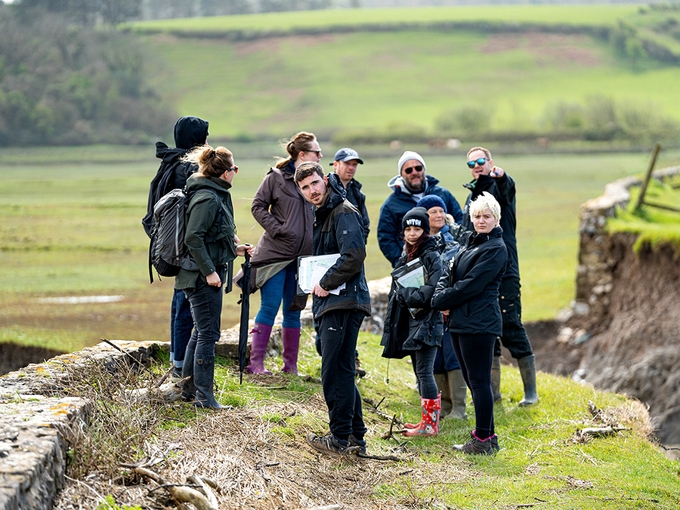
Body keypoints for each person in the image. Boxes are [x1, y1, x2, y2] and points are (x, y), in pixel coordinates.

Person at [294, 161, 371, 456]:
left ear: (325, 180)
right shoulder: (325, 212)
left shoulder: (342, 211)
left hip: (344, 300)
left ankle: (338, 439)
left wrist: (325, 282)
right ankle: (355, 437)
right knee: (341, 369)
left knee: (334, 372)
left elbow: (354, 255)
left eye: (314, 183)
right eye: (305, 188)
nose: (312, 191)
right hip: (335, 302)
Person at [175, 145, 252, 409]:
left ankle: (187, 389)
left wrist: (236, 250)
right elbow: (193, 238)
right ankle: (204, 396)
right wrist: (209, 271)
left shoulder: (212, 193)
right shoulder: (208, 197)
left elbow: (210, 237)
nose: (236, 172)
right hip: (200, 277)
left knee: (201, 332)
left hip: (202, 274)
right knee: (208, 334)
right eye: (234, 168)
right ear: (227, 172)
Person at [461, 147, 538, 406]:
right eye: (472, 163)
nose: (477, 166)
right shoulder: (471, 195)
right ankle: (493, 395)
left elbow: (508, 188)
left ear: (490, 162)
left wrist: (502, 176)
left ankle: (531, 393)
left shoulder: (499, 187)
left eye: (481, 161)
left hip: (505, 272)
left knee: (512, 327)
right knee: (486, 332)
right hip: (479, 276)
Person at [432, 192, 507, 454]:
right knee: (472, 379)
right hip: (461, 321)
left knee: (479, 382)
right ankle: (488, 437)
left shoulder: (496, 248)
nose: (481, 220)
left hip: (480, 322)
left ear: (496, 218)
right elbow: (449, 274)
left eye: (486, 216)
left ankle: (483, 440)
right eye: (476, 216)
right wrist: (442, 297)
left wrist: (441, 300)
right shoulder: (469, 243)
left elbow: (472, 284)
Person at [245, 132, 318, 375]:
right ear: (302, 155)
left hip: (303, 262)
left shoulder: (317, 181)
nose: (320, 157)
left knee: (294, 311)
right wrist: (278, 230)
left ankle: (291, 367)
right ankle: (256, 364)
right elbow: (257, 205)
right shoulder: (275, 178)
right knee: (269, 307)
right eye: (316, 153)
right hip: (275, 256)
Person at [142, 116, 209, 378]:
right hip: (187, 249)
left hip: (172, 246)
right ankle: (182, 368)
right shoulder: (189, 168)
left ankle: (176, 361)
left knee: (178, 304)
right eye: (205, 136)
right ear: (198, 140)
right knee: (186, 307)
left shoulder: (170, 162)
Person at [380, 207, 444, 437]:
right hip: (412, 321)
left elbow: (434, 288)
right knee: (419, 372)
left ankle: (430, 426)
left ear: (425, 231)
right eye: (408, 229)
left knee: (425, 372)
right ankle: (425, 422)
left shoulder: (432, 255)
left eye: (417, 228)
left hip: (427, 321)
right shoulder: (404, 255)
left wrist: (407, 296)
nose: (412, 233)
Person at [416, 195, 467, 420]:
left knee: (452, 354)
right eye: (432, 212)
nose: (437, 215)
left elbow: (458, 274)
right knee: (435, 358)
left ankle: (459, 408)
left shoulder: (456, 241)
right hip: (427, 309)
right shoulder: (418, 243)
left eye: (440, 211)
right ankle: (444, 406)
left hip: (450, 306)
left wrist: (446, 301)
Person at [378, 150, 464, 267]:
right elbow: (385, 237)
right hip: (412, 263)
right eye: (408, 170)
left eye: (418, 168)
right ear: (401, 174)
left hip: (449, 259)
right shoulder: (391, 205)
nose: (414, 172)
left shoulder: (443, 194)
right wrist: (403, 263)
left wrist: (456, 251)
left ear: (424, 170)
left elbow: (460, 219)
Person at [327, 147, 369, 377]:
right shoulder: (326, 188)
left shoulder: (357, 193)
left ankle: (350, 362)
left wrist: (355, 247)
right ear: (335, 164)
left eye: (355, 164)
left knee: (349, 313)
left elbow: (365, 226)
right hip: (328, 262)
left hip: (351, 262)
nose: (351, 168)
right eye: (347, 163)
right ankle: (338, 363)